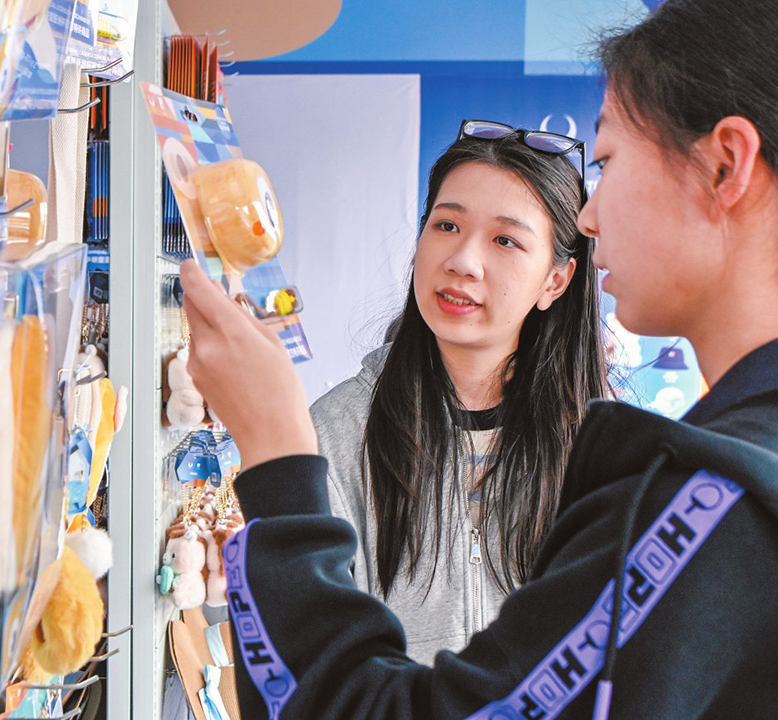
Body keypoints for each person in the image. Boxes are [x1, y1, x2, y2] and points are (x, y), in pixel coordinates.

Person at [178, 0, 778, 717]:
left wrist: (276, 456)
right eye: (446, 225)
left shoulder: (705, 498)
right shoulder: (344, 426)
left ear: (725, 164)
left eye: (610, 162)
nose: (591, 217)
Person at [311, 127, 608, 664]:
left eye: (505, 240)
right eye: (447, 225)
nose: (463, 260)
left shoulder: (601, 448)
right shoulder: (336, 431)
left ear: (556, 281)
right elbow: (314, 652)